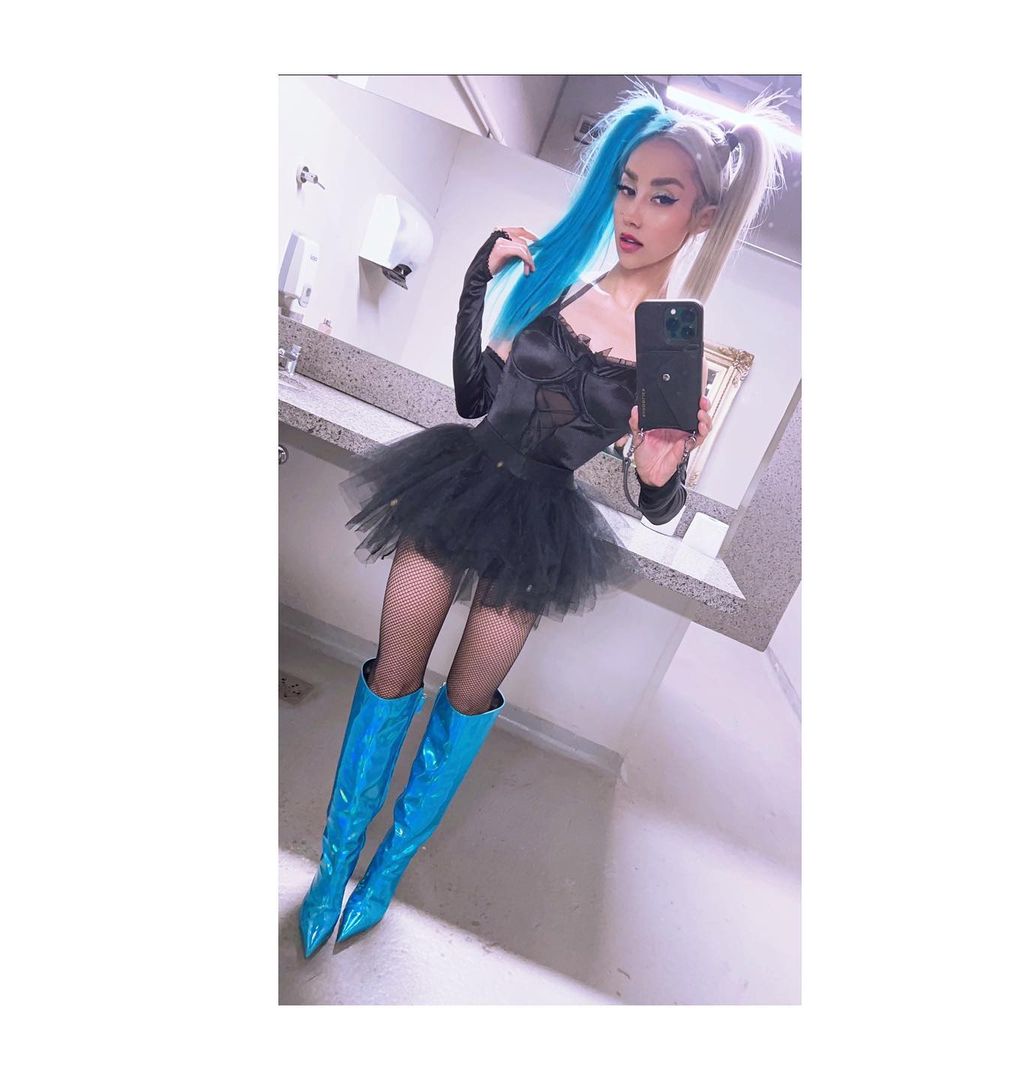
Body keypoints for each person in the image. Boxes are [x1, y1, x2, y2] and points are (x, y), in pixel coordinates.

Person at [298, 82, 792, 956]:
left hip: (540, 527)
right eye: (626, 186)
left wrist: (658, 472)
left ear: (703, 216)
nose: (634, 211)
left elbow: (655, 500)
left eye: (663, 196)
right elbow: (473, 398)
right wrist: (474, 280)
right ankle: (335, 864)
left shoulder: (673, 343)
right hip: (460, 481)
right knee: (392, 675)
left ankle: (386, 872)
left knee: (468, 699)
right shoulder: (560, 277)